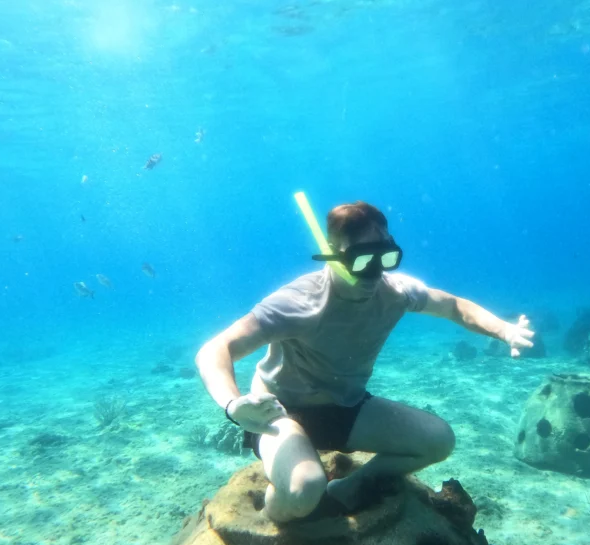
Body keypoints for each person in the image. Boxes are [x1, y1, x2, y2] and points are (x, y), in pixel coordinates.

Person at [195, 201, 534, 523]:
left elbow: (454, 306)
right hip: (278, 411)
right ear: (333, 255)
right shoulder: (297, 302)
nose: (375, 274)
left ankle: (348, 487)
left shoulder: (397, 291)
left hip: (346, 407)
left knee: (438, 441)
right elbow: (215, 349)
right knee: (304, 490)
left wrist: (504, 330)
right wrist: (233, 404)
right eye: (362, 260)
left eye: (386, 258)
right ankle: (276, 512)